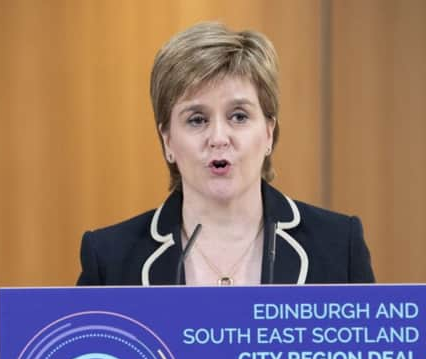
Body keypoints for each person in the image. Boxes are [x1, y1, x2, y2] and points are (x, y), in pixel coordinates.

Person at [77, 22, 374, 287]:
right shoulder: (109, 260)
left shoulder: (337, 246)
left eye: (239, 116)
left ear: (269, 132)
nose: (218, 138)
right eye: (197, 119)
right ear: (167, 140)